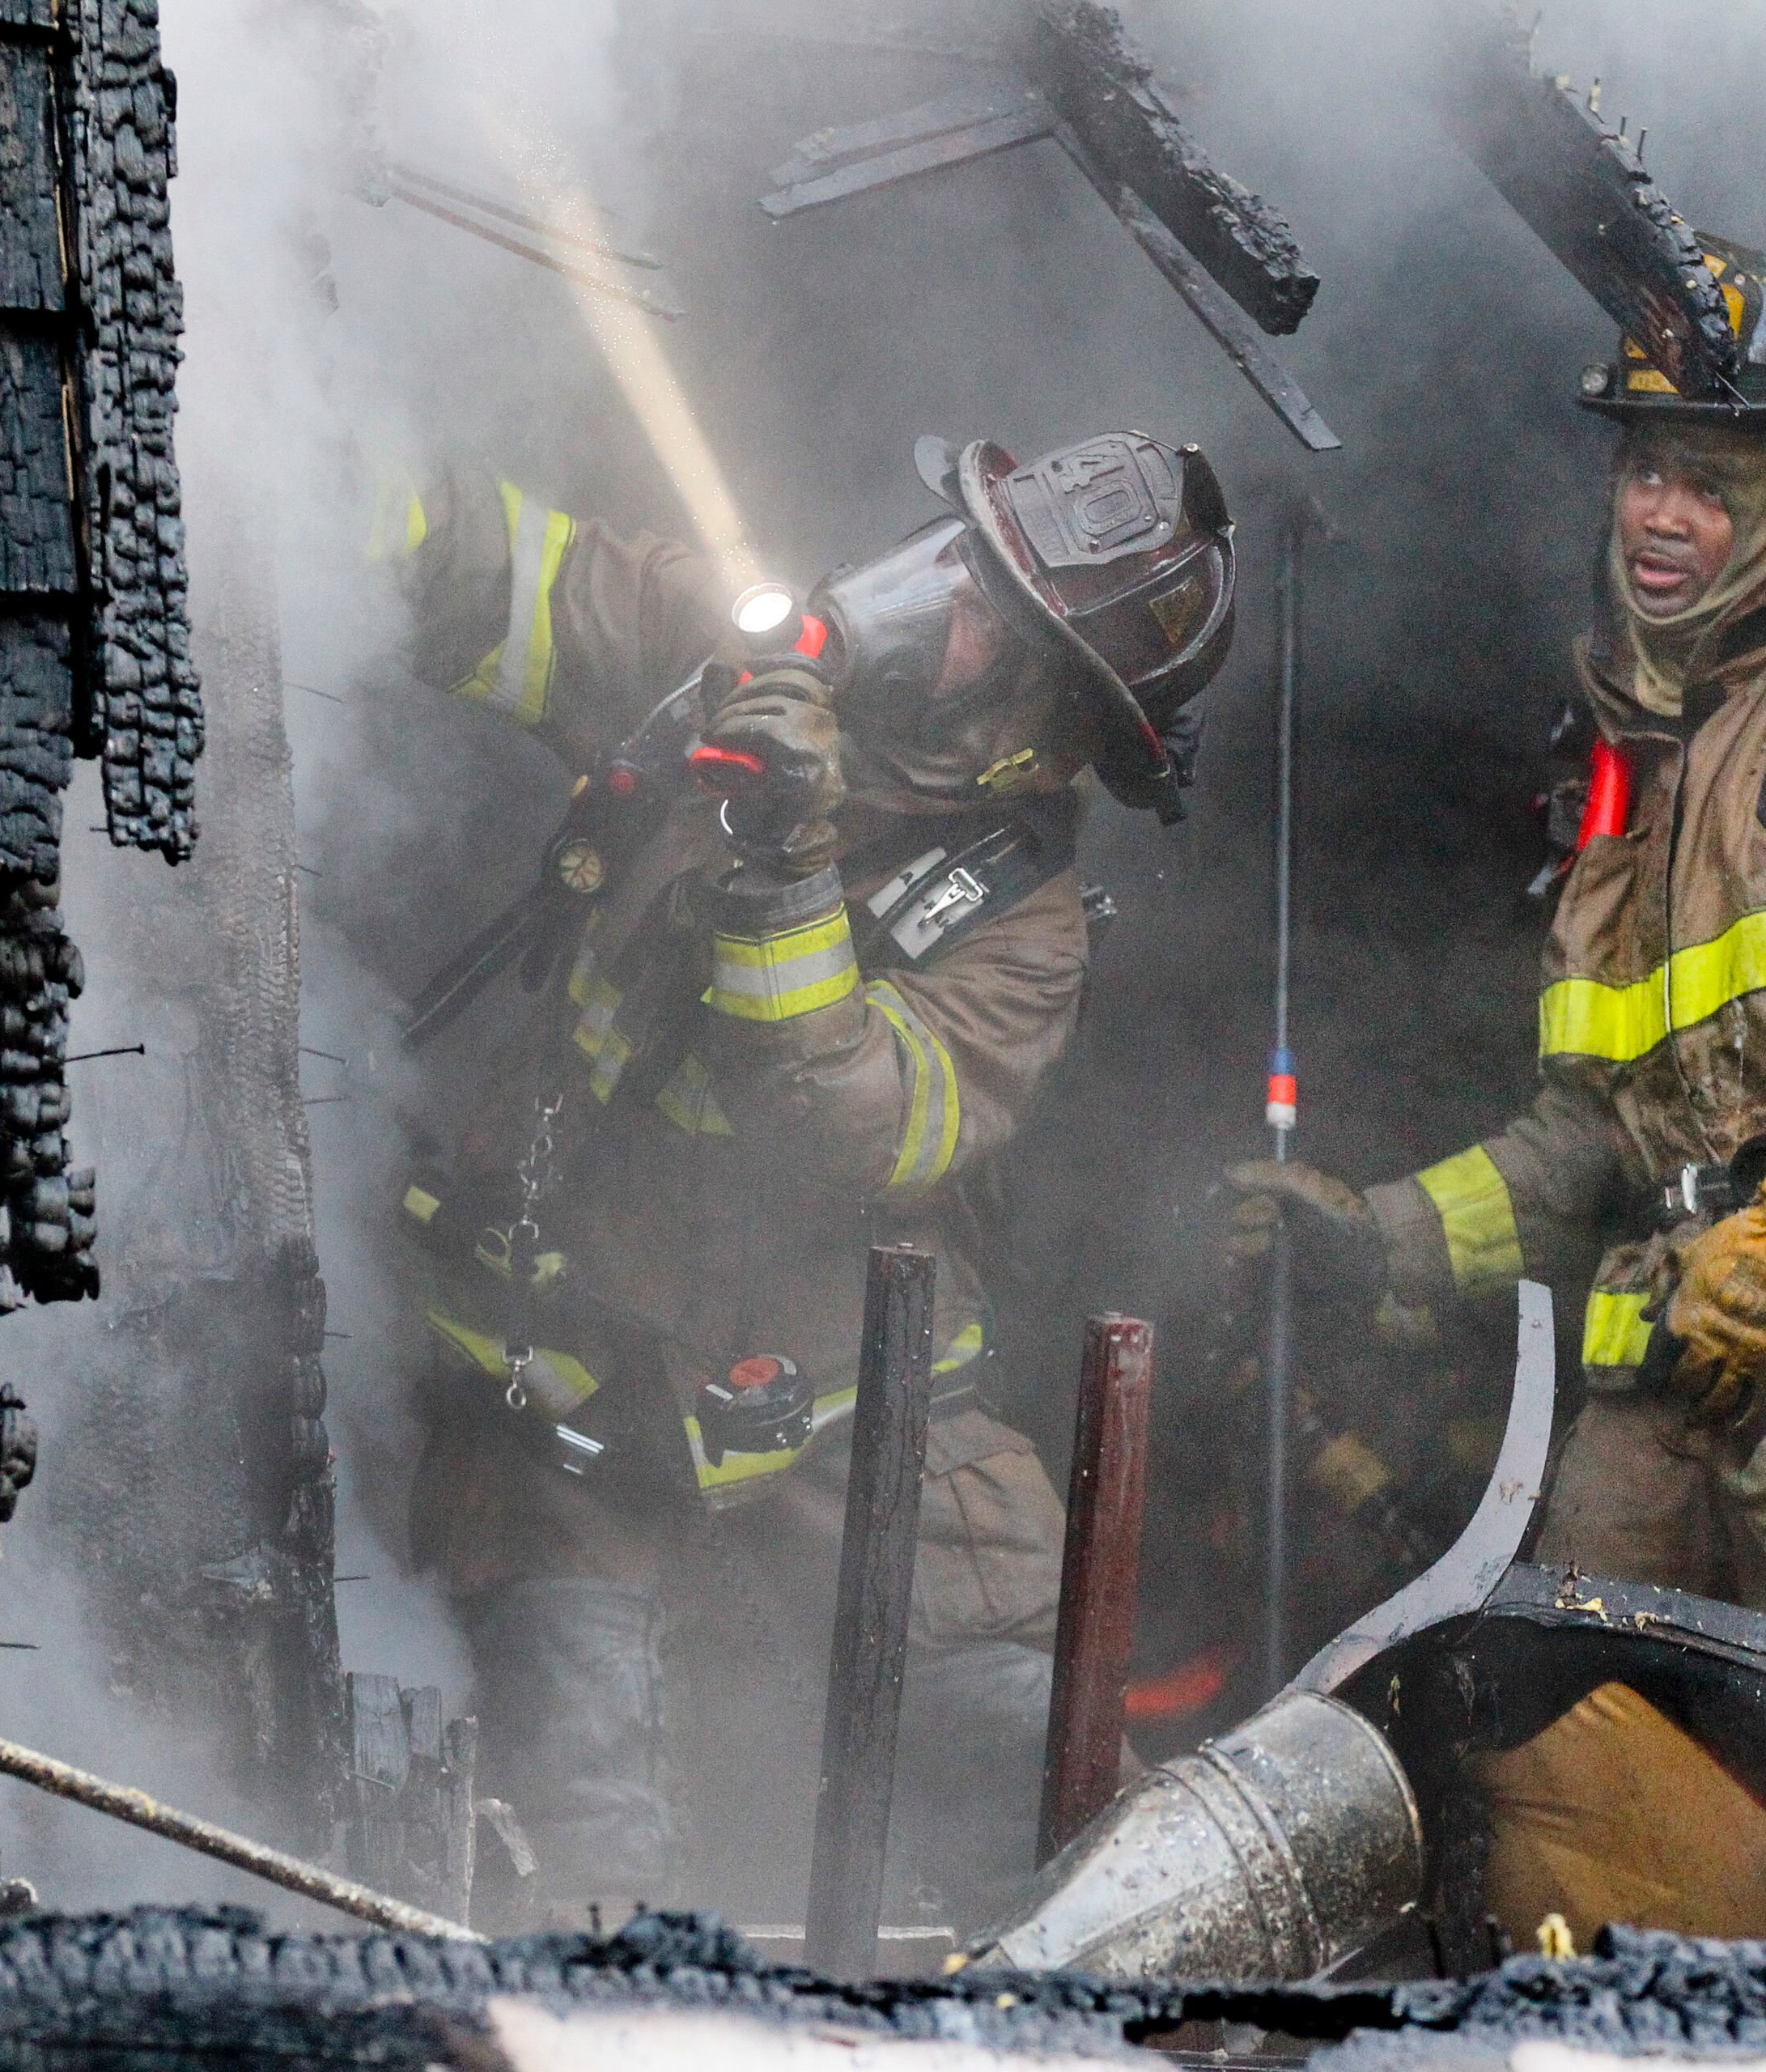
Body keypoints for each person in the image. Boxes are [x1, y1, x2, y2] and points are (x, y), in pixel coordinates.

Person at [1230, 240, 1766, 1935]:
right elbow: (1596, 1136)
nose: (1659, 510)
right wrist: (1389, 1239)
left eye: (1709, 478)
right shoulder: (1641, 775)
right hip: (1674, 1425)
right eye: (1642, 464)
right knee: (1578, 1866)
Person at [376, 431, 1233, 1929]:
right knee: (586, 1870)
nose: (936, 610)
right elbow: (478, 567)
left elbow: (831, 1124)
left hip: (862, 1436)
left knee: (1062, 1831)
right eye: (952, 558)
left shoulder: (1023, 930)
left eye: (991, 622)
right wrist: (270, 431)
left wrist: (783, 859)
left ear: (1044, 728)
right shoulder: (738, 654)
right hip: (575, 1402)